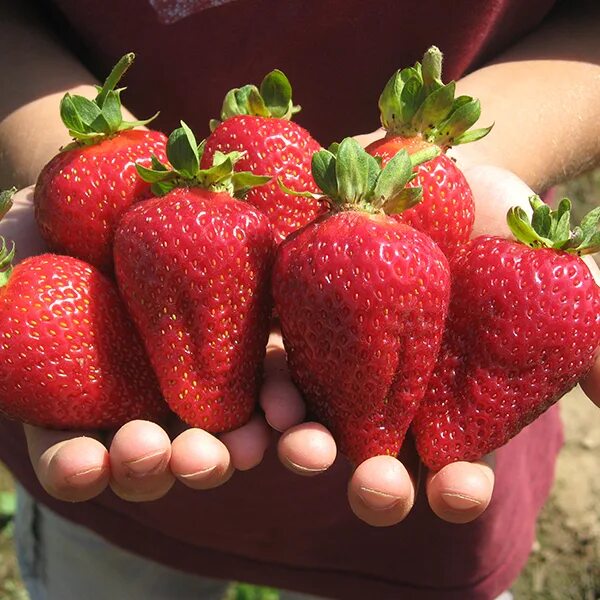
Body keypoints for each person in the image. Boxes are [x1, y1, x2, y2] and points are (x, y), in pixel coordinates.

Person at [0, 0, 599, 598]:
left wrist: (468, 162)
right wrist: (58, 158)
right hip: (118, 504)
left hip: (408, 529)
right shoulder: (170, 235)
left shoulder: (459, 261)